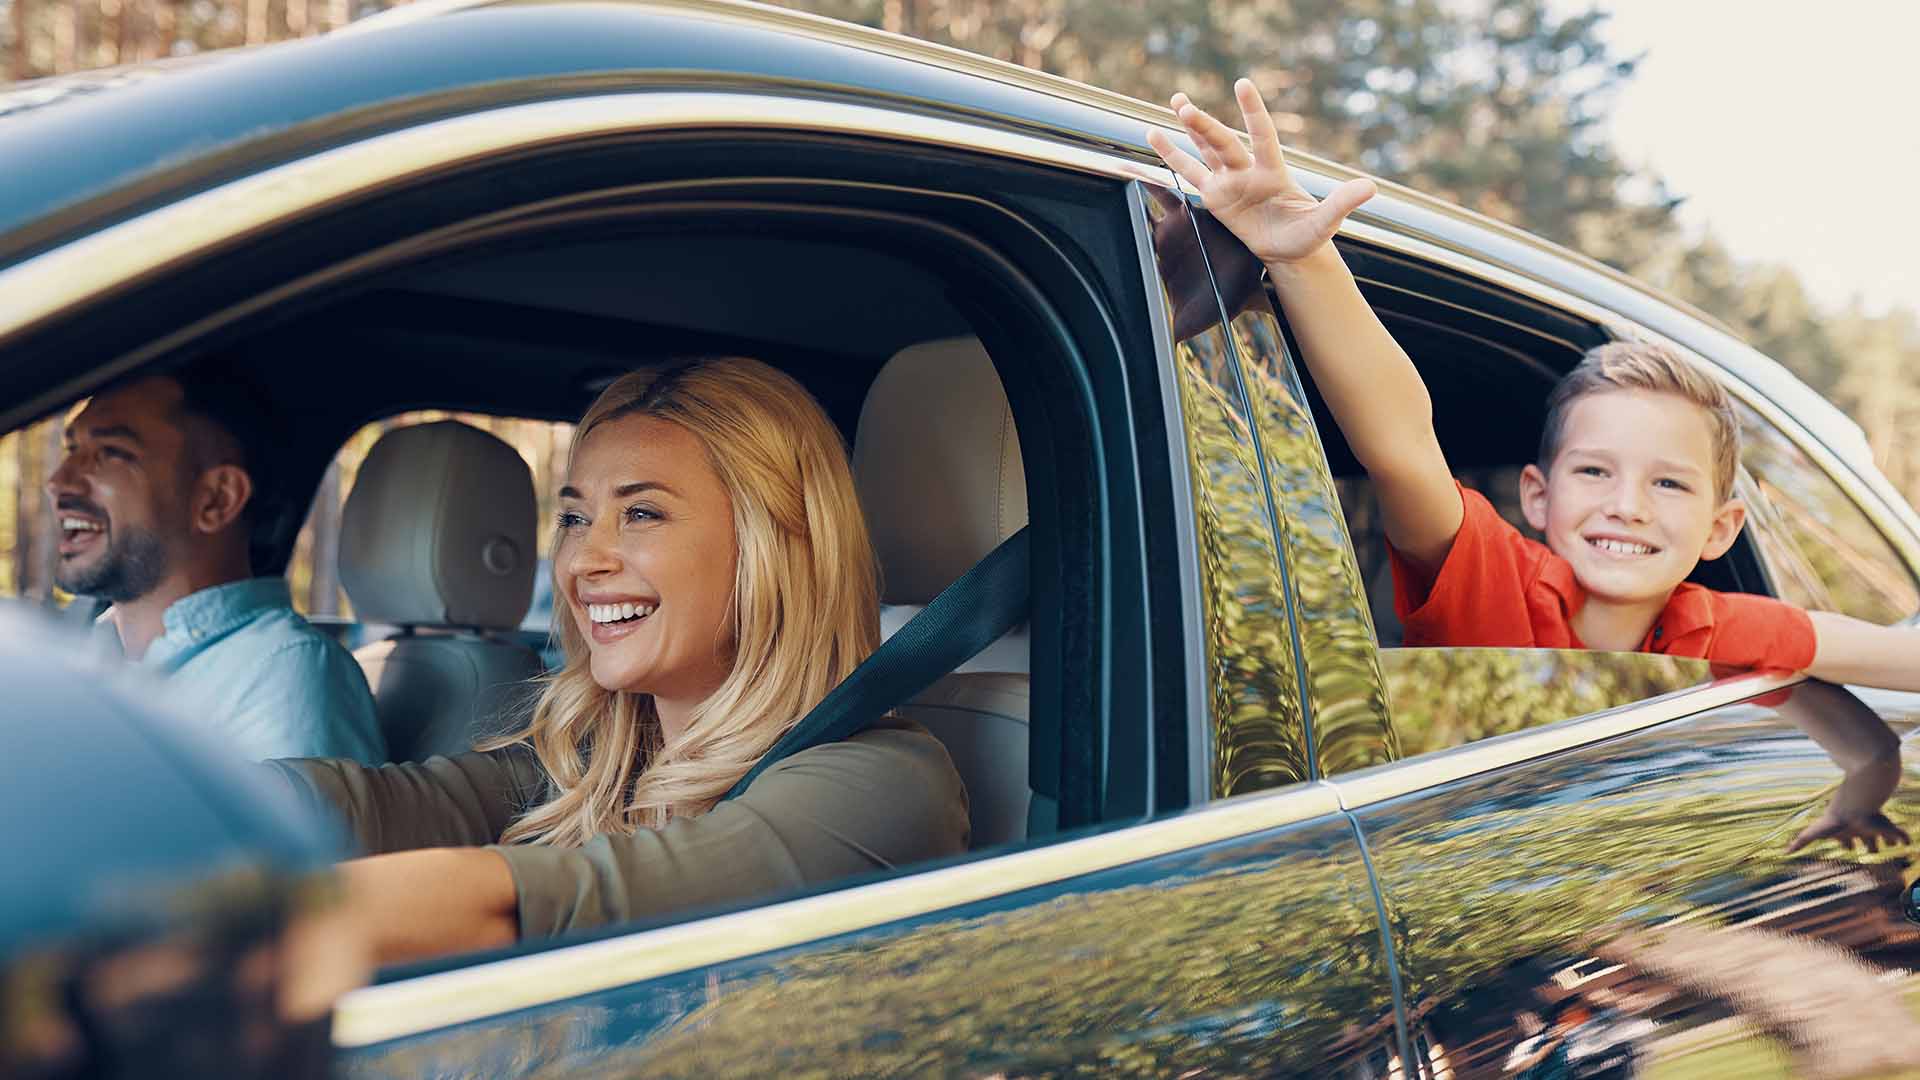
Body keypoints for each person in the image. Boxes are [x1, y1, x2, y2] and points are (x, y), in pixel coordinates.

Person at [1146, 79, 1920, 693]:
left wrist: (1870, 768)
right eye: (1594, 470)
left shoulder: (1713, 629)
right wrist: (1306, 259)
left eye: (1670, 484)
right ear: (1538, 496)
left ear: (1721, 531)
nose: (1628, 504)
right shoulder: (1496, 581)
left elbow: (1898, 659)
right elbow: (1404, 445)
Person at [266, 358, 970, 964]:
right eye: (574, 518)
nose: (583, 562)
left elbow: (559, 904)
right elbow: (381, 806)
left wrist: (230, 931)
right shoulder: (593, 767)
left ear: (769, 548)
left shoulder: (882, 783)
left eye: (641, 514)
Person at [46, 368, 384, 763]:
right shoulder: (91, 652)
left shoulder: (283, 674)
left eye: (111, 453)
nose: (59, 481)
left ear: (217, 499)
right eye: (73, 450)